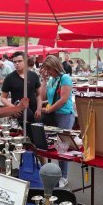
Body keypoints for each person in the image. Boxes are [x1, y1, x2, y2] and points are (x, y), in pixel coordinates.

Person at [39, 55, 76, 188]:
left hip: (64, 114)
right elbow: (44, 96)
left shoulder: (65, 78)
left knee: (62, 145)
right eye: (46, 70)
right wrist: (43, 80)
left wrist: (49, 110)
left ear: (55, 67)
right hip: (53, 114)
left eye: (49, 69)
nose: (48, 72)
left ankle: (64, 176)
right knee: (51, 143)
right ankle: (53, 173)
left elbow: (63, 99)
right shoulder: (51, 80)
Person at [0, 51, 41, 129]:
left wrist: (39, 109)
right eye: (15, 62)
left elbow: (39, 95)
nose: (17, 64)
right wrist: (13, 108)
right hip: (18, 114)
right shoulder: (9, 78)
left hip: (34, 112)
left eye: (19, 61)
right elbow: (3, 97)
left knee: (36, 136)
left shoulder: (33, 75)